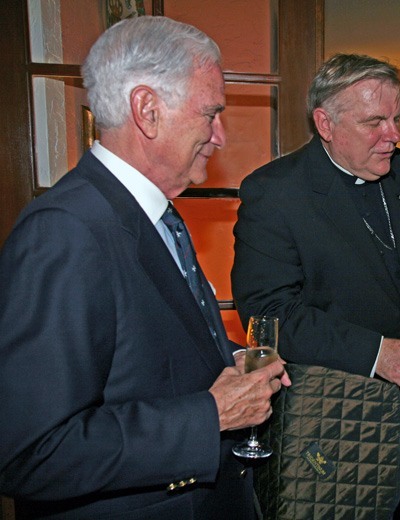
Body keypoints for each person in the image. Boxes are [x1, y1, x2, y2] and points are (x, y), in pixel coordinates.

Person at [0, 16, 289, 519]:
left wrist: (225, 364)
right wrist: (210, 415)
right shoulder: (66, 232)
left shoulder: (150, 212)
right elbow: (31, 453)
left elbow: (142, 359)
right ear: (147, 110)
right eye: (210, 113)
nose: (220, 136)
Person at [231, 53, 400, 519]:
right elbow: (268, 315)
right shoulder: (275, 193)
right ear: (325, 124)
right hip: (333, 417)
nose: (393, 135)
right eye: (375, 121)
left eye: (396, 118)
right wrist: (377, 352)